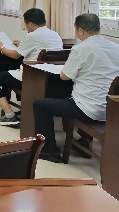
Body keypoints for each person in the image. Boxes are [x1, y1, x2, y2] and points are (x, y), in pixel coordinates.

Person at [34, 13, 119, 163]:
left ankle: (48, 151)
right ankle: (83, 141)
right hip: (111, 108)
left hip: (88, 108)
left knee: (40, 105)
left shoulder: (81, 49)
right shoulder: (116, 48)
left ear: (80, 30)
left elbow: (64, 76)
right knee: (75, 94)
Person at [0, 8, 62, 125]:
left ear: (31, 24)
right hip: (51, 78)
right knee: (7, 72)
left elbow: (14, 55)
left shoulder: (33, 36)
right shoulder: (55, 35)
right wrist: (22, 45)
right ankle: (21, 109)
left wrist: (1, 47)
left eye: (26, 25)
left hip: (30, 77)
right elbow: (39, 49)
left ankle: (10, 115)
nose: (26, 28)